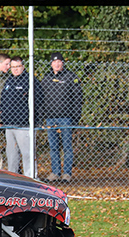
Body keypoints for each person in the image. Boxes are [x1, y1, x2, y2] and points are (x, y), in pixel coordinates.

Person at [41, 52, 83, 182]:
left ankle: (67, 174)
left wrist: (75, 118)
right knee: (53, 147)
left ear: (62, 63)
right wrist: (43, 115)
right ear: (51, 64)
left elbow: (78, 98)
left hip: (66, 118)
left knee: (67, 147)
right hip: (50, 118)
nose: (57, 64)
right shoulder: (46, 78)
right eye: (54, 62)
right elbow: (40, 98)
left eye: (59, 61)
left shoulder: (71, 77)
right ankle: (55, 172)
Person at [0, 56, 44, 177]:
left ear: (23, 67)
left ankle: (31, 177)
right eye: (13, 67)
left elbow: (38, 99)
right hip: (9, 124)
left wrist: (26, 114)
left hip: (24, 125)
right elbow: (3, 100)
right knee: (11, 154)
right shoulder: (9, 81)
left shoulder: (30, 80)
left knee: (27, 153)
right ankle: (12, 177)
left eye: (18, 66)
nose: (15, 69)